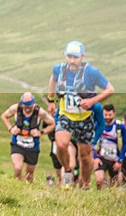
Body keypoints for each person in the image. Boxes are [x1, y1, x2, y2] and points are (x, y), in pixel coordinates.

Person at [47, 41, 115, 189]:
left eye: (75, 57)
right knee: (60, 143)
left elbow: (110, 89)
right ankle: (68, 172)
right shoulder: (59, 69)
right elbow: (53, 79)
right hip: (66, 115)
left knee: (84, 156)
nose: (72, 61)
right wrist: (51, 100)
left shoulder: (91, 72)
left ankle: (85, 185)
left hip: (85, 118)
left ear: (82, 56)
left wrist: (92, 101)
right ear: (65, 56)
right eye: (69, 56)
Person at [0, 93, 55, 183]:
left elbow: (52, 124)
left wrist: (40, 132)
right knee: (18, 168)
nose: (26, 108)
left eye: (29, 106)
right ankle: (16, 187)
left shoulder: (40, 112)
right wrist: (10, 128)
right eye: (24, 106)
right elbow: (4, 116)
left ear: (33, 103)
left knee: (29, 174)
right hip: (17, 143)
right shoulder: (16, 108)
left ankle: (27, 190)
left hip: (33, 146)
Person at [92, 104, 126, 189]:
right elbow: (92, 141)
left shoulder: (120, 126)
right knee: (99, 181)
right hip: (101, 157)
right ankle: (100, 197)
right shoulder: (97, 125)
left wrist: (120, 161)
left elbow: (125, 144)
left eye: (110, 115)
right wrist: (95, 157)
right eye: (105, 115)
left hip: (114, 159)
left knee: (114, 185)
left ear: (114, 114)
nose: (107, 117)